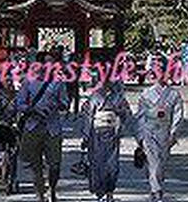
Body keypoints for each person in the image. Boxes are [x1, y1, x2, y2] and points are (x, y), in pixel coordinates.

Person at [17, 49, 70, 202]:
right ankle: (40, 194)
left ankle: (52, 188)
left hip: (52, 127)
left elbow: (65, 103)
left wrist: (57, 105)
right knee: (36, 165)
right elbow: (19, 104)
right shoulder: (28, 82)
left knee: (55, 164)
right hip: (33, 126)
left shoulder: (58, 83)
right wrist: (32, 109)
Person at [81, 78, 134, 202]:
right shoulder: (94, 97)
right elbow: (88, 117)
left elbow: (127, 114)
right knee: (97, 163)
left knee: (112, 165)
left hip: (113, 134)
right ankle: (100, 192)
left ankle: (110, 192)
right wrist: (85, 136)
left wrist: (120, 114)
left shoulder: (118, 97)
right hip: (96, 134)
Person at [136, 75, 184, 202]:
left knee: (161, 163)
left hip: (165, 131)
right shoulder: (146, 93)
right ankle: (156, 191)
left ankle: (156, 185)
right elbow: (140, 115)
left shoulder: (174, 94)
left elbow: (178, 114)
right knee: (153, 161)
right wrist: (140, 135)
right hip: (149, 131)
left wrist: (174, 133)